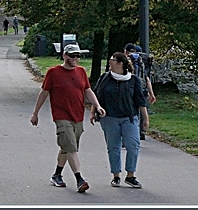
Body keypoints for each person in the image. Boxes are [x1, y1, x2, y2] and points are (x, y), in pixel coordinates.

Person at [31, 43, 105, 193]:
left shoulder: (81, 72)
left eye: (77, 55)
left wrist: (97, 105)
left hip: (77, 115)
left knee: (67, 147)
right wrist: (35, 113)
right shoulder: (53, 72)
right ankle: (79, 179)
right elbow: (44, 93)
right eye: (72, 55)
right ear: (64, 55)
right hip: (61, 116)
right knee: (70, 146)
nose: (75, 58)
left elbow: (88, 90)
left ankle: (57, 175)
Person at [92, 51, 149, 188]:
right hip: (109, 118)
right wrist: (93, 112)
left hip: (129, 118)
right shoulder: (105, 78)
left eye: (112, 59)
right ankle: (116, 175)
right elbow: (97, 96)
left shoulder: (133, 80)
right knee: (113, 147)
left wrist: (145, 119)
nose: (109, 61)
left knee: (133, 145)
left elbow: (140, 101)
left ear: (120, 63)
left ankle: (130, 175)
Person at [125, 43, 156, 140]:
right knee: (141, 110)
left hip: (129, 90)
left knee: (130, 112)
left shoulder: (127, 61)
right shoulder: (141, 62)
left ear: (126, 51)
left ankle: (129, 134)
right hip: (142, 90)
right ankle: (141, 131)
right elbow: (147, 79)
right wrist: (151, 93)